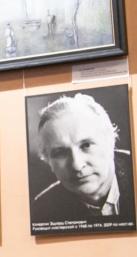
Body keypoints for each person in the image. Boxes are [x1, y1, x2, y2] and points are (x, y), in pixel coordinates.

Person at [32, 93, 135, 223]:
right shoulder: (42, 210)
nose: (77, 165)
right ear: (48, 161)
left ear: (110, 142)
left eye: (86, 145)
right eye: (60, 152)